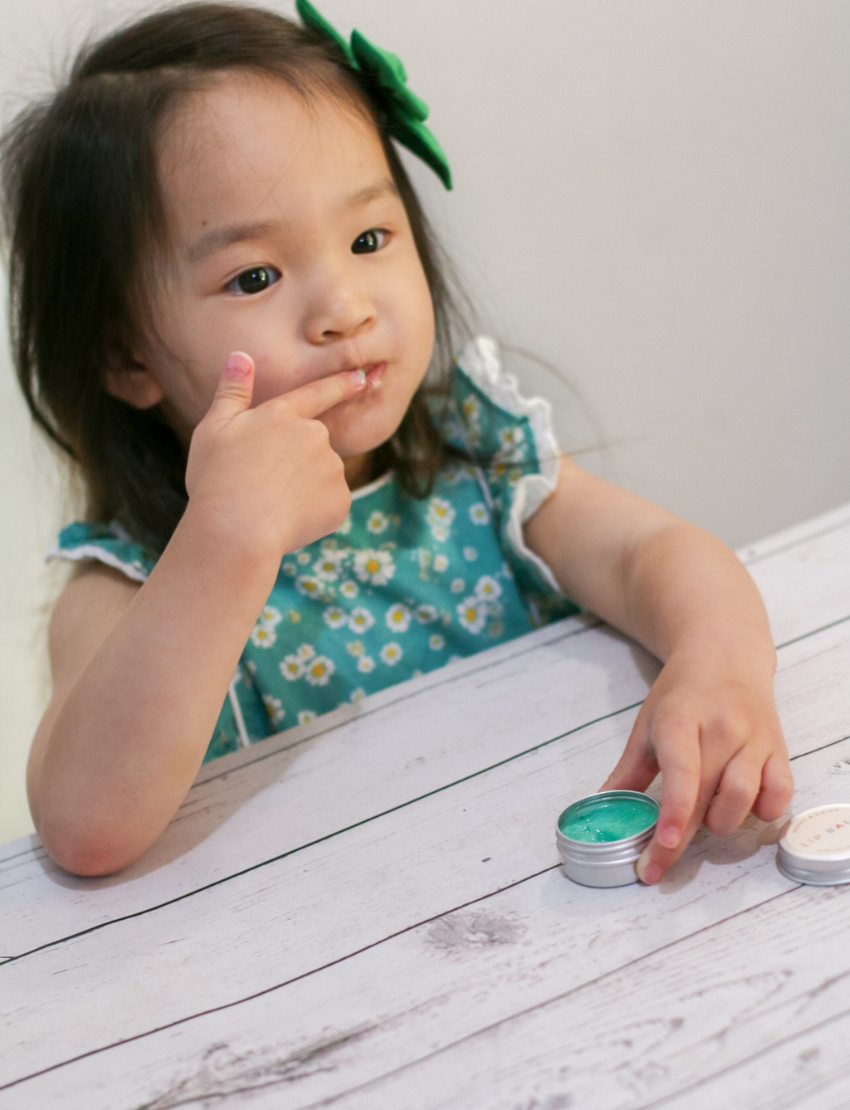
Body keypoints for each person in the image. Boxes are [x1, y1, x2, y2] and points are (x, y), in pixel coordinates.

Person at [1, 1, 793, 878]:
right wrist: (225, 541)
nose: (344, 308)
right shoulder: (127, 581)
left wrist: (719, 661)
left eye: (369, 237)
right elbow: (83, 828)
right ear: (123, 353)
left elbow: (654, 554)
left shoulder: (480, 459)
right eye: (254, 275)